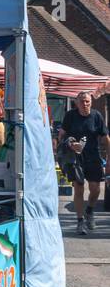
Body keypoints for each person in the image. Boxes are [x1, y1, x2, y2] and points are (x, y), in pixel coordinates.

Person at [56, 91, 108, 234]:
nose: (85, 104)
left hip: (93, 157)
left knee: (95, 189)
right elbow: (62, 135)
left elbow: (105, 137)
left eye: (87, 101)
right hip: (75, 158)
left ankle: (89, 211)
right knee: (79, 188)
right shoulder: (70, 116)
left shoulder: (96, 116)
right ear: (76, 103)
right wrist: (70, 143)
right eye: (82, 101)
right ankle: (80, 222)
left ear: (91, 102)